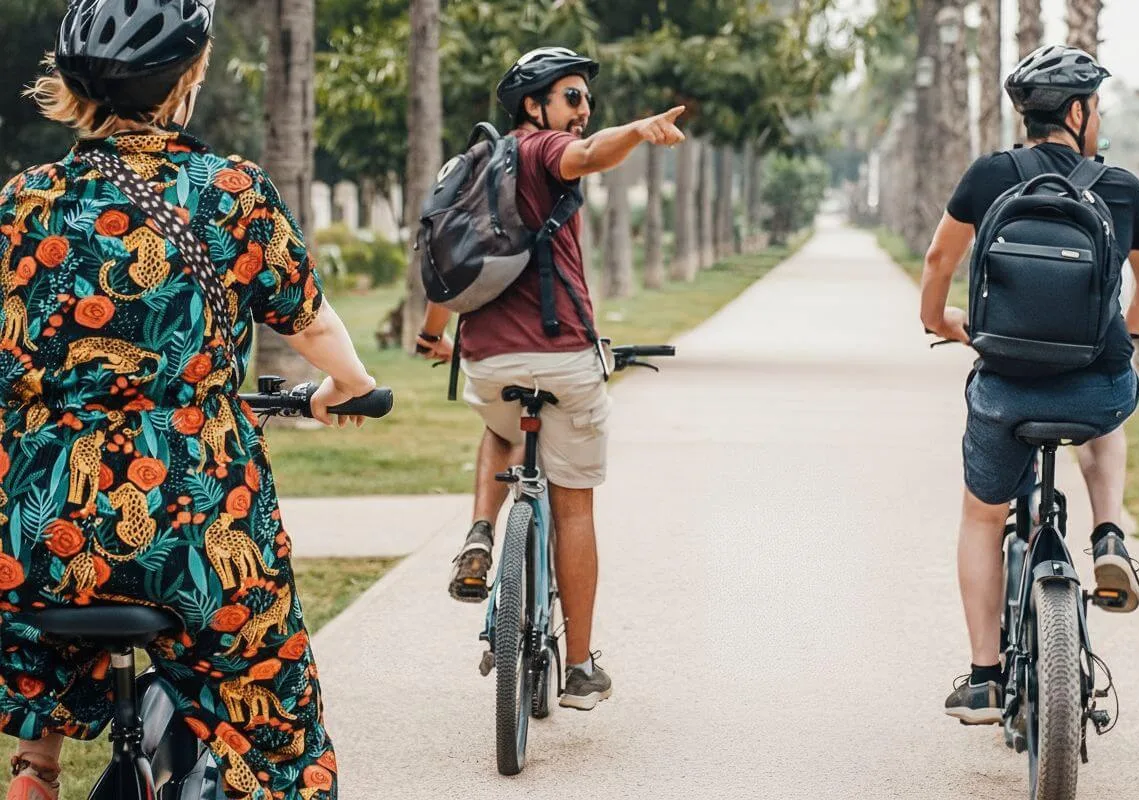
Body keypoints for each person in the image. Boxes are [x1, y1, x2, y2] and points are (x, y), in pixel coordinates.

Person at [0, 2, 378, 797]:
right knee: (278, 735)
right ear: (187, 81)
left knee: (36, 668)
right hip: (194, 530)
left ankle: (34, 772)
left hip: (44, 530)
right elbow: (310, 322)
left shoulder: (21, 203)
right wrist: (349, 387)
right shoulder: (229, 189)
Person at [415, 46, 686, 710]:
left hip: (485, 361)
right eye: (572, 98)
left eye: (587, 100)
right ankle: (580, 667)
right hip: (563, 358)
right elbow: (590, 156)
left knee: (498, 425)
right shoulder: (540, 153)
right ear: (535, 106)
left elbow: (446, 252)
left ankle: (482, 530)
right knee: (573, 505)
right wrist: (639, 131)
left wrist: (431, 333)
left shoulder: (474, 165)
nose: (584, 110)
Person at [919, 45, 1139, 725]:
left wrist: (938, 319)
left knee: (983, 514)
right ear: (1080, 111)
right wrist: (1128, 335)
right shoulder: (1119, 185)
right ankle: (1109, 534)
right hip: (1094, 387)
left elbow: (941, 257)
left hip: (1006, 391)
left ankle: (983, 680)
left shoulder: (991, 174)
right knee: (1111, 399)